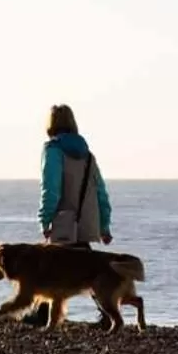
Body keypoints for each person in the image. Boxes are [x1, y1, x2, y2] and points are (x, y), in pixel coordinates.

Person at [38, 104, 111, 247]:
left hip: (63, 229)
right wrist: (104, 228)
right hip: (86, 230)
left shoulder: (52, 151)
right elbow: (101, 194)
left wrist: (45, 222)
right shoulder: (88, 156)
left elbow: (51, 189)